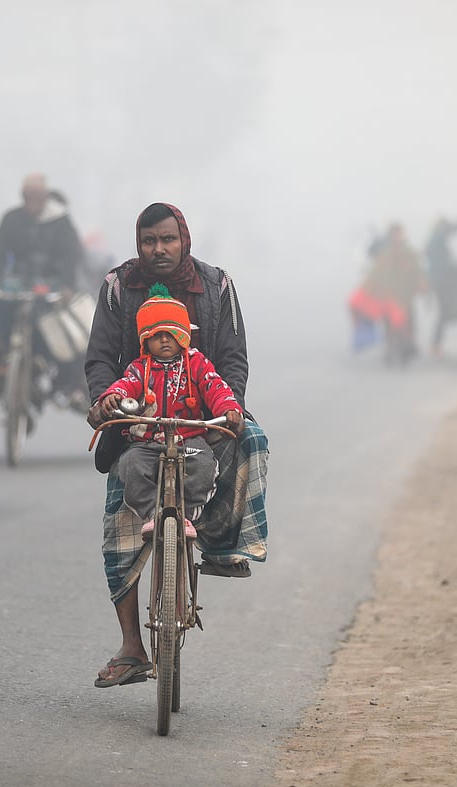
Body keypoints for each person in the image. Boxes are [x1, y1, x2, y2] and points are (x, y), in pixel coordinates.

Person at [86, 202, 268, 689]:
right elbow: (100, 359)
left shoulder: (217, 285)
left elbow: (233, 358)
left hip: (205, 414)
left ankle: (223, 542)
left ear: (184, 240)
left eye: (167, 239)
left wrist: (227, 411)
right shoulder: (117, 287)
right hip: (138, 423)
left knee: (251, 439)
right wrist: (107, 405)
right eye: (149, 241)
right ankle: (131, 649)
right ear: (138, 244)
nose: (158, 249)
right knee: (119, 525)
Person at [96, 284, 245, 544]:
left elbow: (216, 387)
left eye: (171, 333)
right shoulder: (139, 368)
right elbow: (124, 385)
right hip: (148, 442)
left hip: (189, 439)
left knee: (204, 466)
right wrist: (111, 396)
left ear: (184, 335)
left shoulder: (198, 363)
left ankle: (188, 515)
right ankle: (150, 515)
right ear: (145, 339)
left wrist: (230, 409)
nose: (165, 340)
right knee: (130, 465)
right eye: (156, 334)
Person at [0, 174, 86, 407]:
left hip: (51, 282)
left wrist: (66, 286)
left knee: (60, 330)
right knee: (1, 306)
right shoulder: (11, 219)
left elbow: (72, 255)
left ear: (45, 197)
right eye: (28, 196)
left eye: (37, 197)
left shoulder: (60, 221)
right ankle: (6, 357)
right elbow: (0, 254)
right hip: (20, 280)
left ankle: (57, 378)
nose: (33, 201)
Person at [354, 222, 426, 364]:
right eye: (396, 234)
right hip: (389, 295)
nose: (398, 236)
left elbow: (417, 271)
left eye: (400, 233)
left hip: (405, 294)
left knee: (408, 322)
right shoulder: (384, 252)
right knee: (389, 324)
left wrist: (422, 285)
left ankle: (406, 347)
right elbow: (376, 272)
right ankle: (391, 349)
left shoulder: (408, 251)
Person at [424, 205, 457, 357]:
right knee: (443, 313)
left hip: (442, 280)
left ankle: (435, 345)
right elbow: (456, 227)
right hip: (442, 281)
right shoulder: (436, 240)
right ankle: (435, 345)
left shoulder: (437, 238)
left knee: (443, 314)